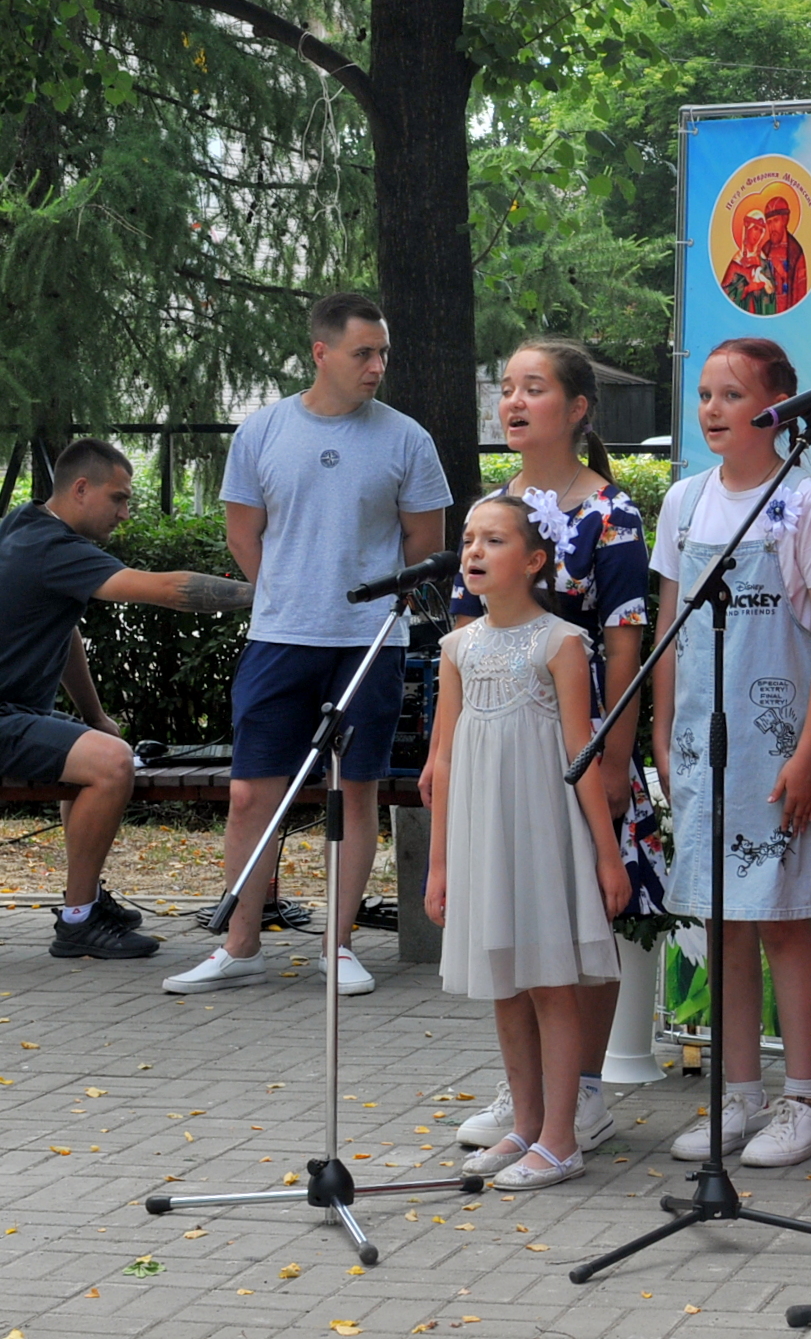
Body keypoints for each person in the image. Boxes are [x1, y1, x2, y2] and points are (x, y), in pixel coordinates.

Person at [165, 292, 452, 998]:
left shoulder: (407, 438)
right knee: (246, 795)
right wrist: (285, 594)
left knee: (352, 794)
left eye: (382, 352)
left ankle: (340, 945)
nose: (377, 366)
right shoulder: (261, 431)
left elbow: (427, 543)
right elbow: (242, 532)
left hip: (368, 643)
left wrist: (380, 602)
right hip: (278, 638)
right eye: (363, 353)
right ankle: (241, 945)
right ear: (321, 353)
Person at [438, 337, 664, 1155]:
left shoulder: (612, 511)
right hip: (503, 745)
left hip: (579, 732)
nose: (513, 401)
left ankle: (587, 1092)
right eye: (506, 388)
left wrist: (613, 756)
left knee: (577, 917)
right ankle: (528, 1096)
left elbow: (627, 634)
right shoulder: (492, 511)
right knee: (515, 907)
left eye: (533, 387)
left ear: (576, 410)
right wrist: (443, 753)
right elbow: (464, 635)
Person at [652, 338, 811, 1169]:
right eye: (704, 394)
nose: (711, 409)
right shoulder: (685, 502)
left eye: (731, 394)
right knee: (722, 923)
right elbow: (667, 631)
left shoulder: (806, 504)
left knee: (782, 922)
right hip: (704, 752)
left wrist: (810, 752)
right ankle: (737, 1098)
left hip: (778, 755)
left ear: (778, 407)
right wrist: (664, 743)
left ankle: (804, 1102)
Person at [425, 497, 629, 1190]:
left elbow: (583, 752)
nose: (475, 551)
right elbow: (446, 758)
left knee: (549, 980)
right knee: (504, 983)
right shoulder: (457, 648)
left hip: (543, 832)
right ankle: (527, 1125)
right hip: (484, 832)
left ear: (535, 561)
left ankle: (563, 1138)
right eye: (469, 540)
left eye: (495, 540)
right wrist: (441, 862)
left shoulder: (561, 643)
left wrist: (606, 855)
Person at [0, 438, 254, 959]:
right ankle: (79, 918)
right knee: (111, 763)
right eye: (117, 498)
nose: (125, 512)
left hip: (15, 714)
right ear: (80, 489)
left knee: (96, 748)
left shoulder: (23, 525)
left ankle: (84, 898)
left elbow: (62, 627)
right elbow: (163, 589)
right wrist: (265, 594)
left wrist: (95, 715)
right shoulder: (54, 548)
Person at [762, 197, 810, 312]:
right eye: (769, 222)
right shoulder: (764, 250)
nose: (772, 227)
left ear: (785, 220)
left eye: (776, 221)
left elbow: (800, 292)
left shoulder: (795, 252)